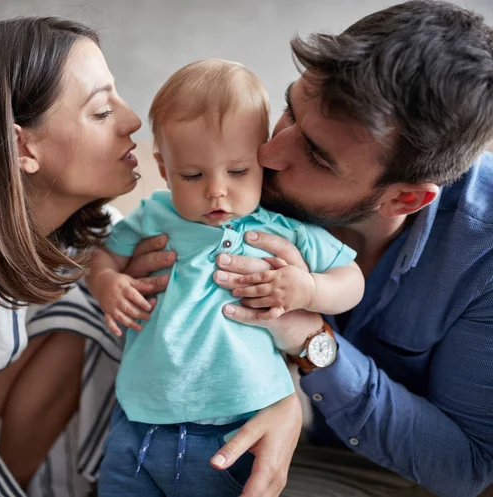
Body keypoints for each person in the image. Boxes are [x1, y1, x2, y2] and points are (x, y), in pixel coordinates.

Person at [0, 16, 302, 497]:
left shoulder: (99, 231)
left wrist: (282, 397)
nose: (133, 122)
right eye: (102, 110)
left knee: (89, 304)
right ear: (22, 145)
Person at [195, 1, 493, 496]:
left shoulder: (481, 258)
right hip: (303, 432)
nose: (270, 153)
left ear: (405, 198)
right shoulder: (264, 181)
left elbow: (466, 467)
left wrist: (310, 343)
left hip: (406, 473)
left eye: (315, 156)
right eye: (291, 108)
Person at [86, 59, 364, 496]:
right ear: (163, 167)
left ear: (264, 160)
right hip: (138, 420)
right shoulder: (154, 215)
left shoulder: (280, 229)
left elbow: (351, 279)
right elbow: (102, 256)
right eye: (192, 175)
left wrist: (309, 289)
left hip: (238, 426)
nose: (216, 190)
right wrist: (108, 283)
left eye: (238, 172)